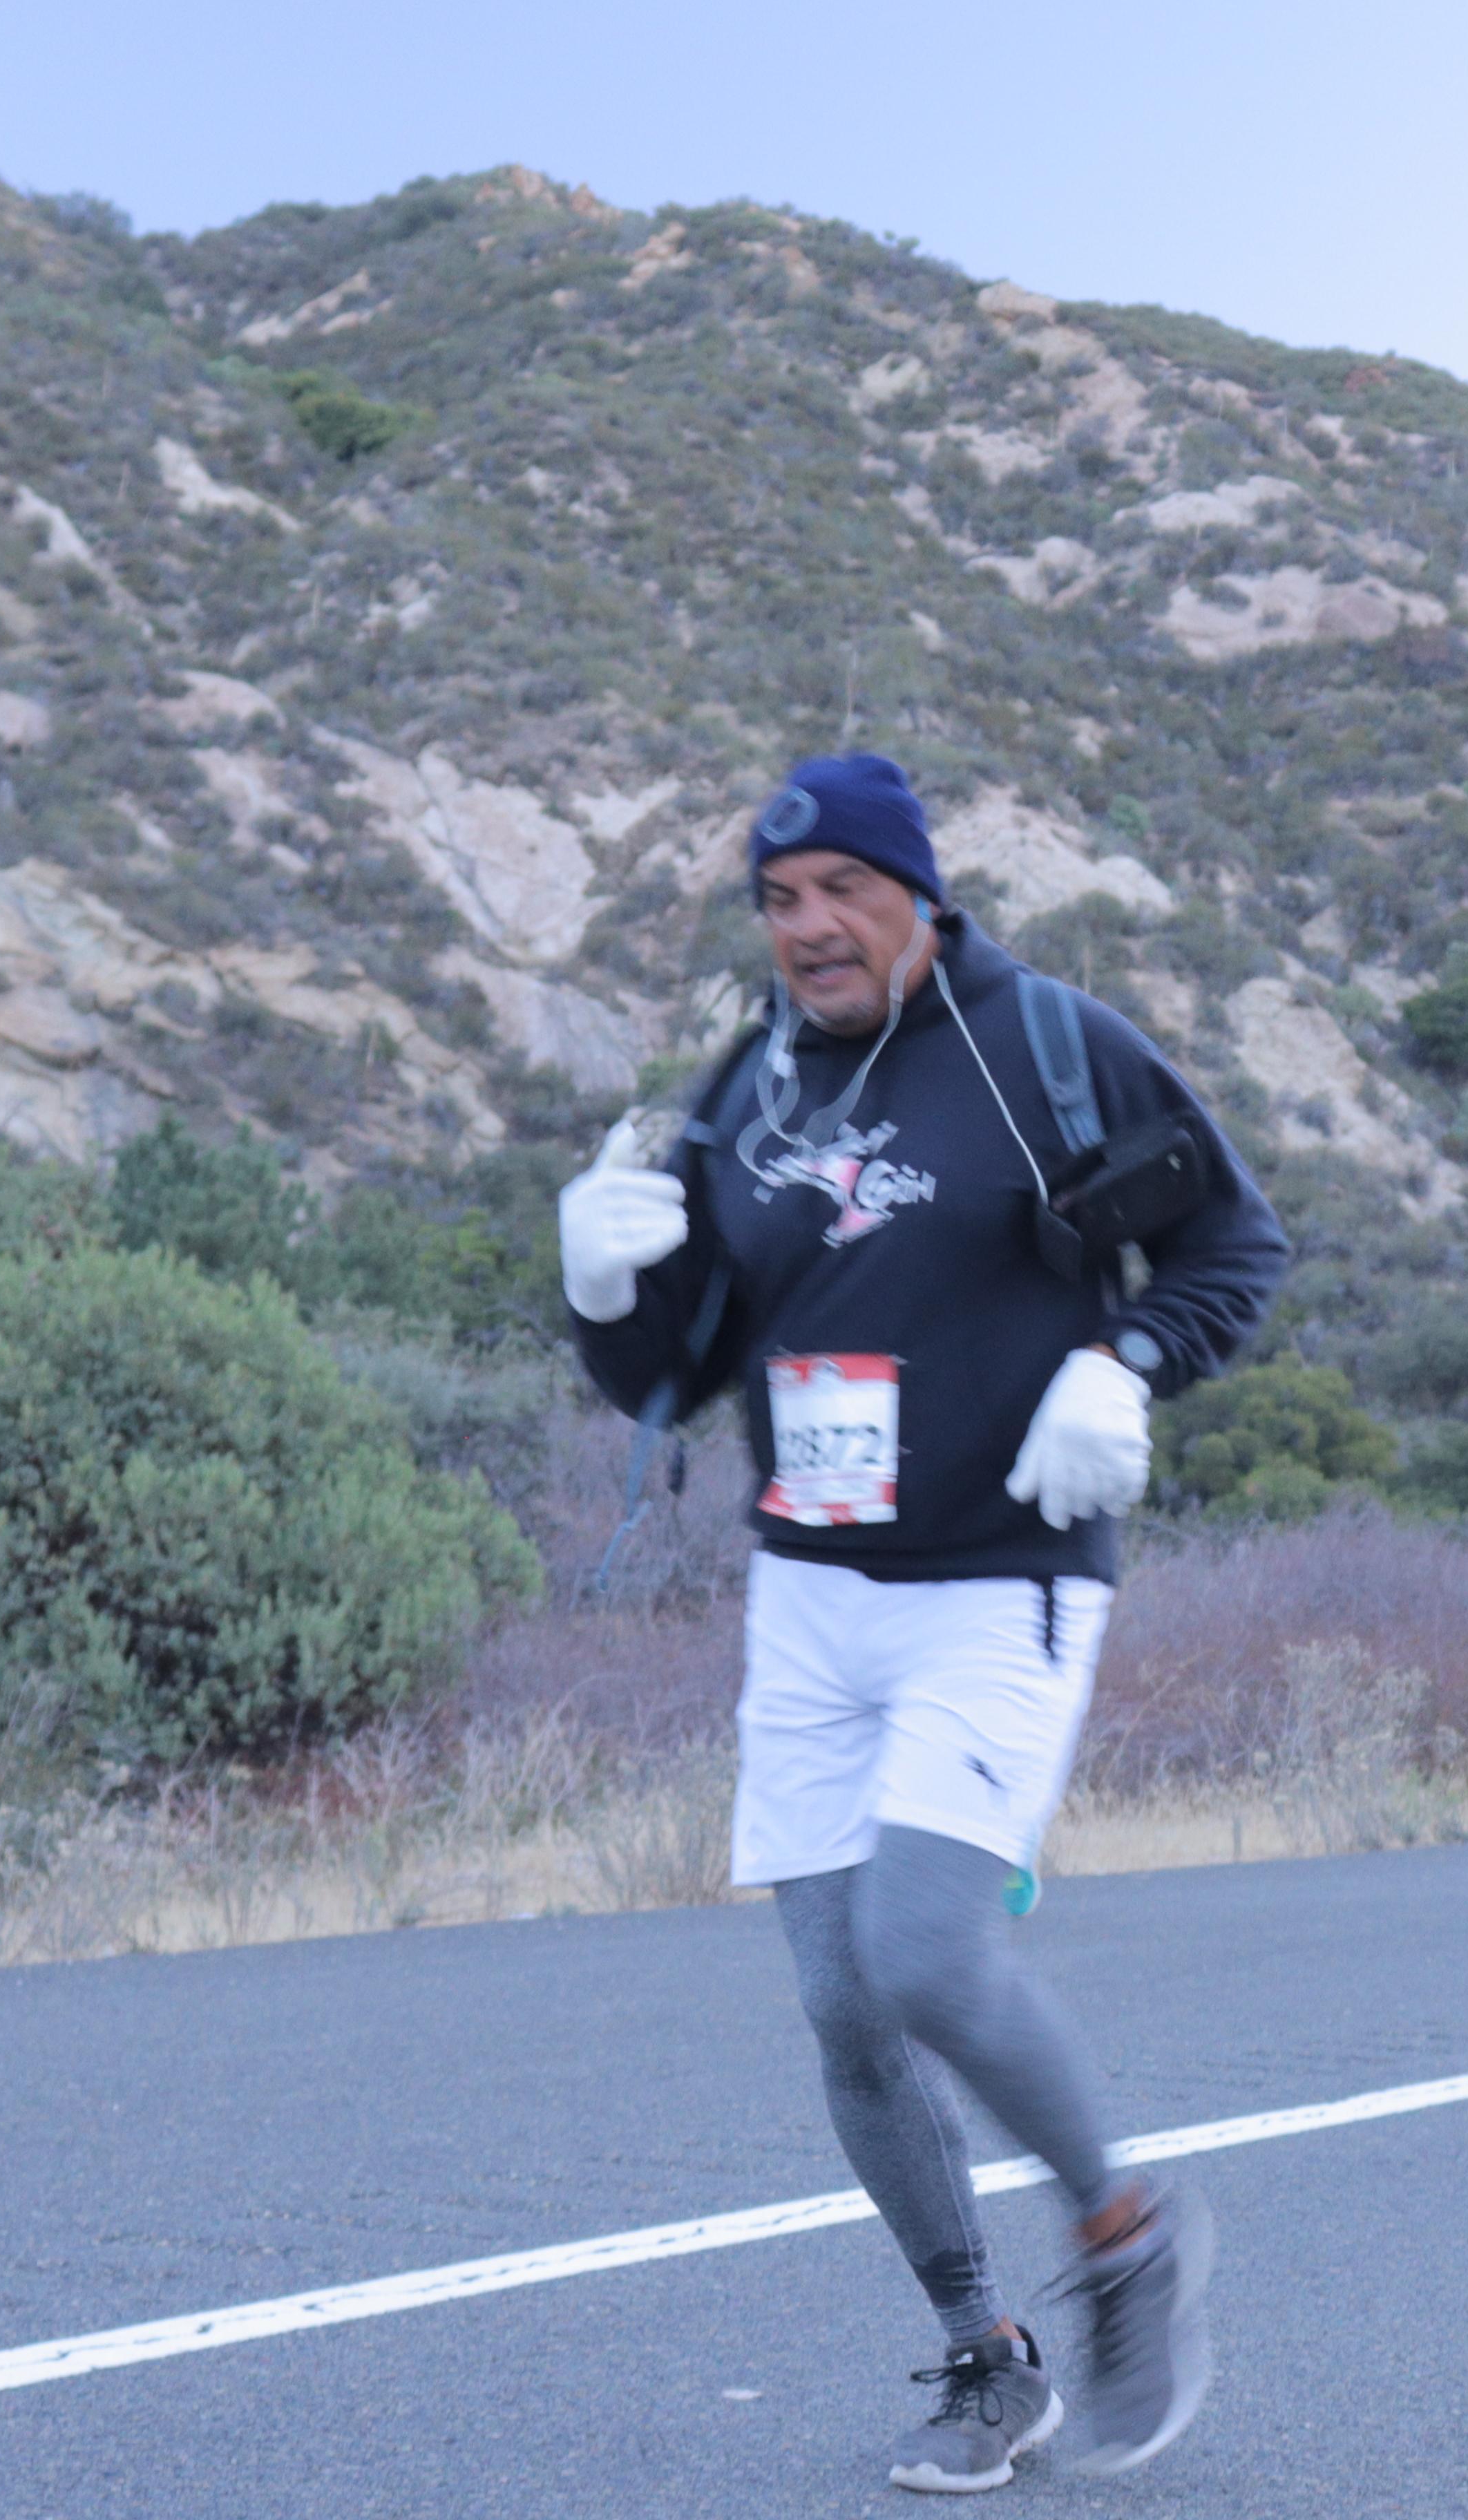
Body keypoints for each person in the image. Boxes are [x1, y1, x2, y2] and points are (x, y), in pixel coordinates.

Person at [560, 754, 1287, 2489]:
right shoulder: (748, 1088)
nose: (809, 924)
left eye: (843, 888)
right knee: (844, 2004)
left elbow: (1235, 1248)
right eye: (779, 897)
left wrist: (1128, 1360)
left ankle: (1124, 2233)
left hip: (998, 1579)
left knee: (927, 1951)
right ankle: (987, 2355)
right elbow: (675, 1366)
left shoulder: (1047, 1044)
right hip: (811, 1594)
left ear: (920, 893)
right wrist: (599, 1287)